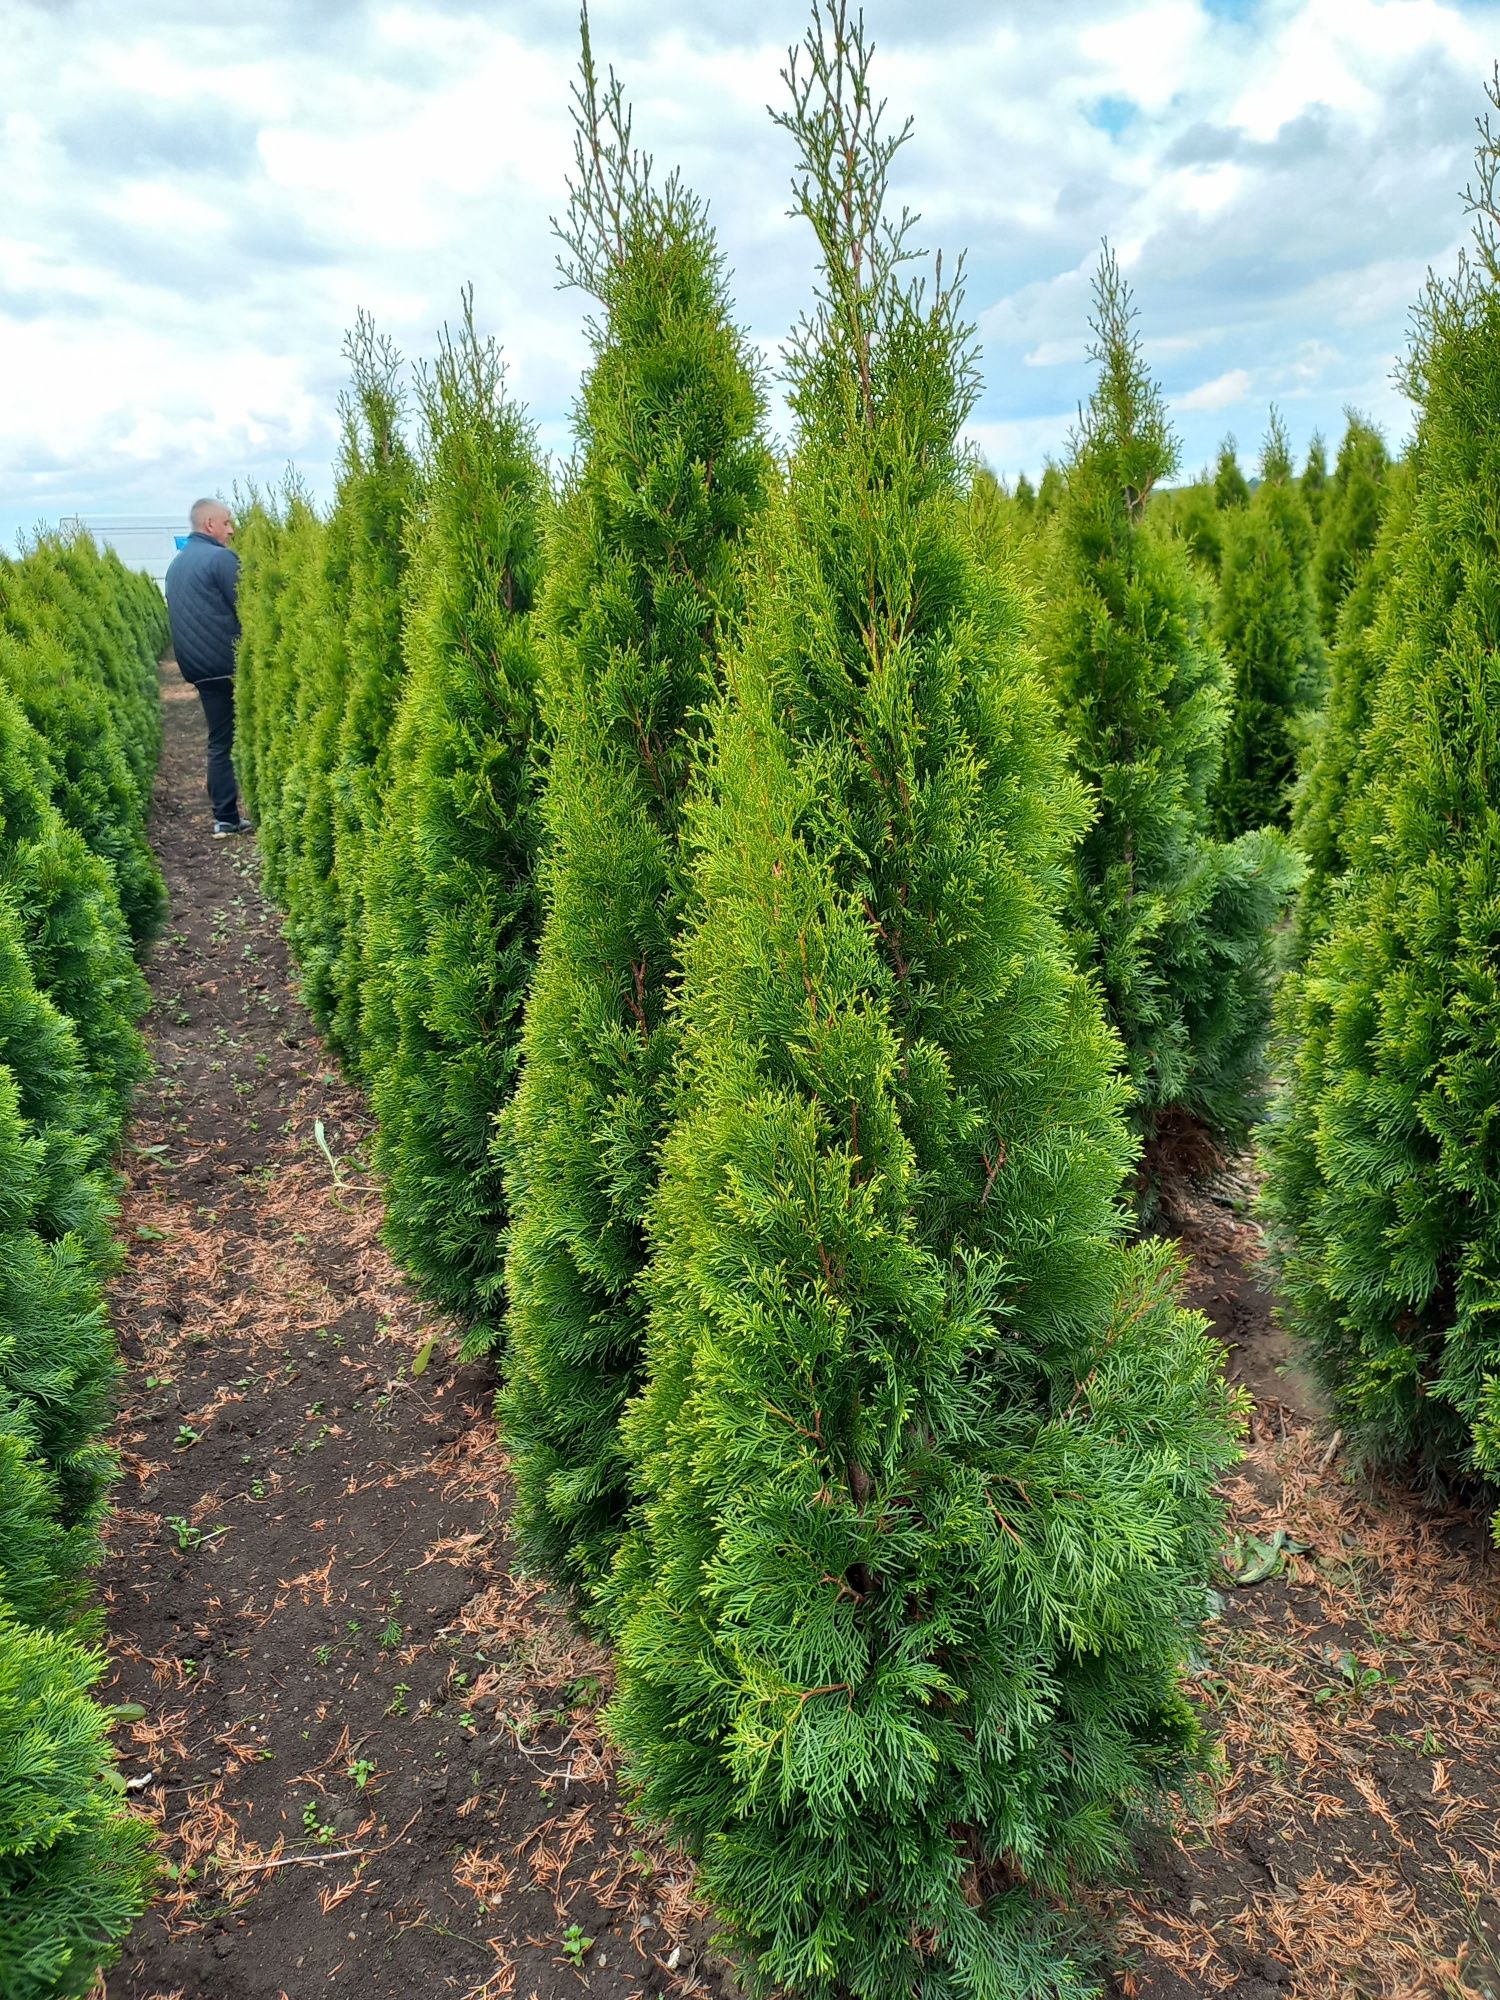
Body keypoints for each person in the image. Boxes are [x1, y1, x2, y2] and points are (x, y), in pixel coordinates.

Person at [164, 498, 252, 835]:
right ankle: (231, 815)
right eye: (227, 522)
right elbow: (247, 608)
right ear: (210, 525)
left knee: (219, 740)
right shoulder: (221, 558)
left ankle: (225, 817)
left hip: (199, 667)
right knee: (237, 737)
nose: (231, 529)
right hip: (228, 663)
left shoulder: (177, 565)